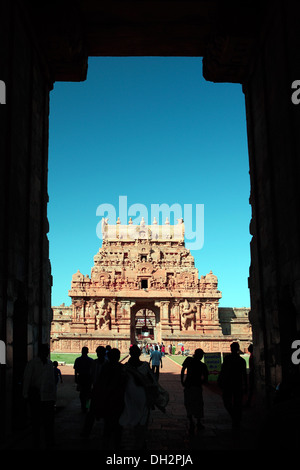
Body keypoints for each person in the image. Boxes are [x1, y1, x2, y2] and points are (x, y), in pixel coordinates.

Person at [119, 344, 155, 449]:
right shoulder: (145, 366)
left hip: (129, 396)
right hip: (142, 396)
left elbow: (121, 383)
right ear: (139, 353)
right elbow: (152, 381)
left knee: (131, 415)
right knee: (142, 418)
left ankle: (136, 438)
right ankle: (141, 440)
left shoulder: (125, 367)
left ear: (130, 353)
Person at [22, 343, 56, 448]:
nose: (46, 353)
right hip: (36, 395)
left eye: (47, 351)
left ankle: (48, 442)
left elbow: (52, 381)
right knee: (36, 421)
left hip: (47, 397)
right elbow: (27, 379)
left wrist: (54, 396)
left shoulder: (50, 363)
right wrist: (25, 395)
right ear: (39, 352)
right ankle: (36, 442)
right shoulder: (32, 363)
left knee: (48, 422)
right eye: (44, 351)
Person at [92, 348, 126, 449]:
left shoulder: (105, 368)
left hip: (107, 400)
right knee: (118, 424)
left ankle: (107, 443)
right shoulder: (121, 368)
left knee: (107, 424)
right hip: (117, 400)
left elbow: (99, 384)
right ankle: (116, 444)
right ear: (119, 357)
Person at [218, 342, 248, 431]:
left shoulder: (228, 359)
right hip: (237, 383)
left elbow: (223, 370)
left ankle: (234, 417)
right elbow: (244, 374)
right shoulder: (241, 361)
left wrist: (220, 380)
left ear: (231, 349)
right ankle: (236, 417)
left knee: (227, 401)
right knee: (237, 402)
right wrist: (245, 385)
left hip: (229, 383)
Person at [181, 348, 208, 435]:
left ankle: (192, 421)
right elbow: (206, 377)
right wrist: (201, 383)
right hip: (197, 386)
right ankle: (198, 422)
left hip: (189, 385)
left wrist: (182, 380)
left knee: (189, 403)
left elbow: (183, 369)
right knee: (198, 404)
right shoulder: (202, 365)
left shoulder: (189, 360)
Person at [74, 346, 94, 412]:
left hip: (81, 377)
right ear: (87, 352)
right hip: (88, 378)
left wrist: (76, 378)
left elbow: (76, 370)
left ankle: (83, 406)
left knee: (82, 393)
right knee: (87, 393)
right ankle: (87, 406)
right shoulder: (91, 360)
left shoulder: (78, 360)